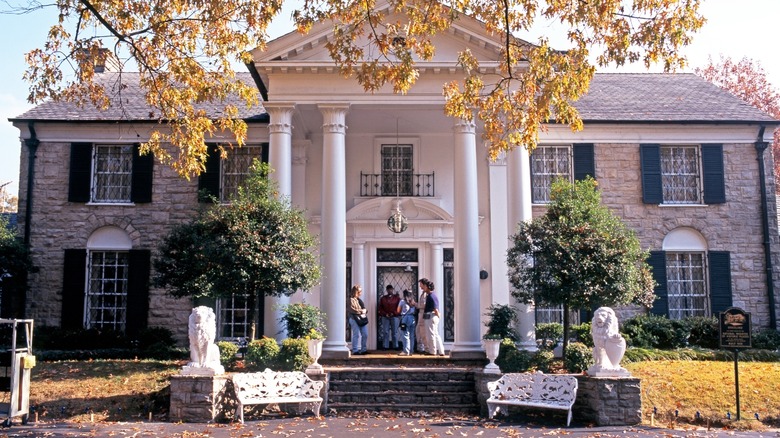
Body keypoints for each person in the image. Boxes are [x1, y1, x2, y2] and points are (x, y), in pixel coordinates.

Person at [420, 278, 445, 356]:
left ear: (428, 287)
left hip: (431, 316)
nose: (422, 288)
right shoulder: (433, 295)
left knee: (430, 334)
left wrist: (437, 314)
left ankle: (432, 351)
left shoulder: (431, 296)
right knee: (436, 334)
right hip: (433, 316)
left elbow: (435, 308)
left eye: (424, 286)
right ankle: (441, 351)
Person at [378, 284, 401, 350]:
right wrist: (385, 314)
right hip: (385, 317)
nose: (390, 290)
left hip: (395, 316)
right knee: (385, 331)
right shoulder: (383, 298)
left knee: (395, 332)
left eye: (391, 289)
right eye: (388, 289)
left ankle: (395, 346)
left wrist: (394, 313)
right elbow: (380, 308)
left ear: (392, 289)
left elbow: (399, 307)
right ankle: (385, 346)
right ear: (386, 290)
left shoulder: (397, 298)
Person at [347, 284, 368, 355]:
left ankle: (363, 349)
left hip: (361, 319)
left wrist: (365, 310)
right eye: (359, 292)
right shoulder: (350, 300)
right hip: (353, 318)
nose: (360, 293)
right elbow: (351, 309)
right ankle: (355, 350)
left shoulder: (359, 300)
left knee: (365, 334)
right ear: (356, 292)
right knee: (356, 334)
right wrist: (361, 311)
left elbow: (364, 307)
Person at [396, 289, 417, 356]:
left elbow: (398, 310)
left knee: (405, 334)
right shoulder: (413, 302)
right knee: (412, 335)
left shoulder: (402, 301)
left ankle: (406, 351)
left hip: (405, 318)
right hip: (412, 318)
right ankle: (411, 350)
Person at [415, 285, 428, 353]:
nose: (420, 286)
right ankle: (420, 347)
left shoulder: (426, 294)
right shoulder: (423, 294)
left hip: (423, 314)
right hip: (420, 314)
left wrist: (415, 304)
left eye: (421, 284)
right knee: (418, 331)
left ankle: (424, 348)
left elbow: (424, 305)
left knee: (422, 331)